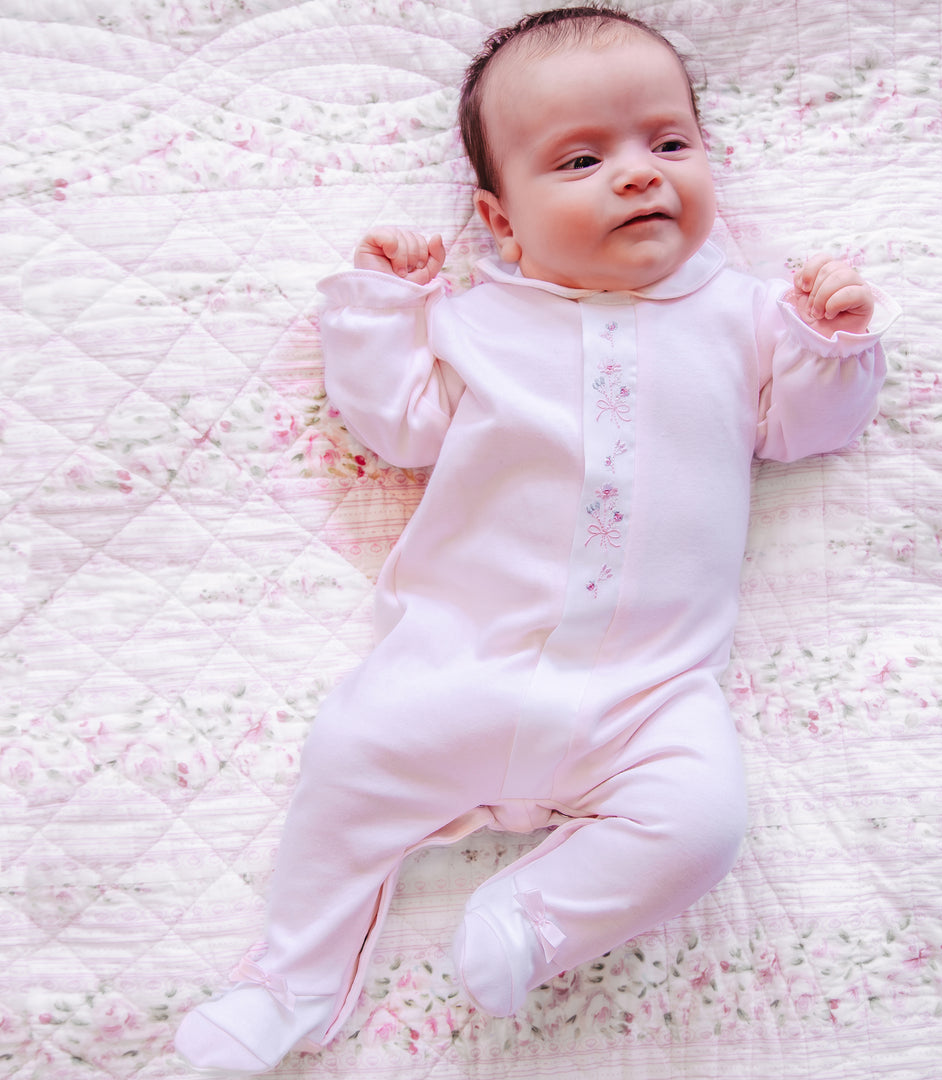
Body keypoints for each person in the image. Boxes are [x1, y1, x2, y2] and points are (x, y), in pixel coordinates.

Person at [175, 5, 898, 1074]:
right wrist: (381, 309)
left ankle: (534, 917)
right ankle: (290, 980)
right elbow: (396, 423)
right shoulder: (475, 321)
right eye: (581, 159)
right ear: (501, 220)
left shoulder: (747, 317)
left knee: (701, 822)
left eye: (669, 142)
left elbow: (806, 431)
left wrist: (831, 345)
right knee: (349, 760)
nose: (639, 173)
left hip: (648, 693)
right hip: (458, 663)